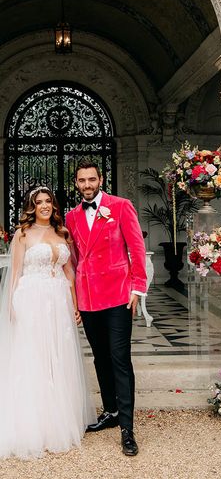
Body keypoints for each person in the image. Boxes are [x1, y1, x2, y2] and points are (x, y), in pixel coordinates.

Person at [0, 187, 96, 459]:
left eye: (47, 201)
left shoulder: (63, 233)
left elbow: (70, 273)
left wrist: (76, 305)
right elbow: (16, 272)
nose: (43, 206)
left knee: (58, 358)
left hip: (58, 302)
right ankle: (33, 424)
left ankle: (58, 420)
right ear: (32, 207)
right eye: (38, 202)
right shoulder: (23, 234)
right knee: (34, 356)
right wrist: (11, 307)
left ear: (54, 205)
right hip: (30, 299)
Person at [65, 160, 147, 456]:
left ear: (101, 179)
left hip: (118, 296)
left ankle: (127, 429)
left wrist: (137, 287)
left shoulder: (121, 206)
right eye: (82, 180)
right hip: (88, 299)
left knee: (119, 358)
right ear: (76, 183)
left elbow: (136, 248)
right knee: (100, 357)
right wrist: (71, 298)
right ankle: (111, 412)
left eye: (91, 179)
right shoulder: (71, 217)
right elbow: (72, 259)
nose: (87, 184)